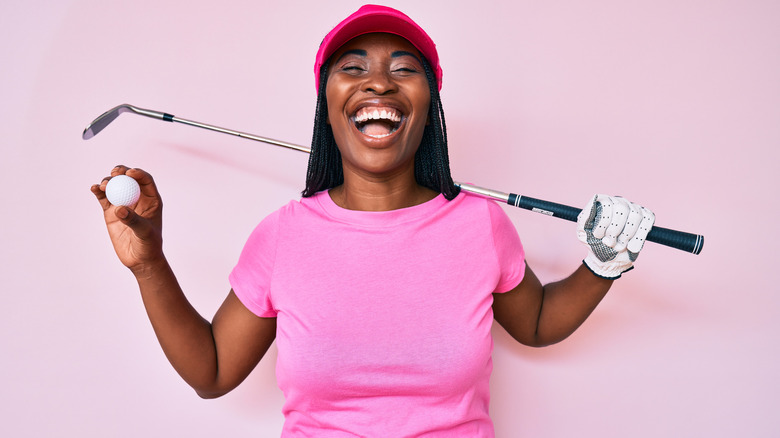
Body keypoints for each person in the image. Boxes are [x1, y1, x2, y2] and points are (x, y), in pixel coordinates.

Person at [92, 5, 655, 437]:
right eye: (353, 67)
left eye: (403, 68)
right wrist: (149, 264)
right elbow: (212, 371)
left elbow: (535, 323)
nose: (379, 82)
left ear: (428, 105)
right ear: (328, 103)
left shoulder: (480, 225)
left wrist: (602, 266)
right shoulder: (283, 235)